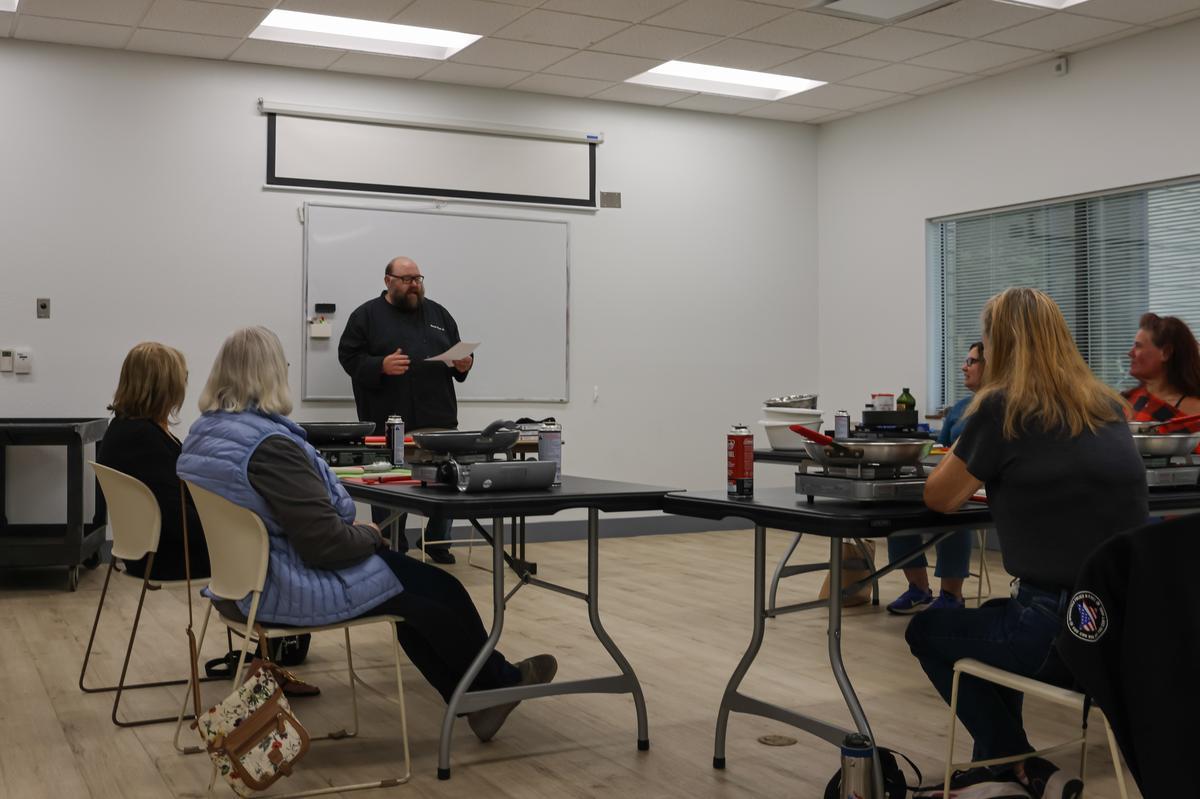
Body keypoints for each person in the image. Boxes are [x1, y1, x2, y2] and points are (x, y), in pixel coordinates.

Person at [178, 327, 554, 741]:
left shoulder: (205, 434)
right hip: (288, 584)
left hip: (241, 585)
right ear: (270, 374)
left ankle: (481, 694)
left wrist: (355, 533)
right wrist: (370, 534)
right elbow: (325, 544)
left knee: (423, 595)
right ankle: (494, 688)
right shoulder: (270, 446)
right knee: (440, 593)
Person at [908, 288, 1147, 797]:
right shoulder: (1107, 405)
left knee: (928, 630)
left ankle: (1014, 760)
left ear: (1000, 345)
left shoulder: (1001, 408)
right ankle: (1004, 770)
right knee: (992, 619)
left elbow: (940, 497)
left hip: (1054, 635)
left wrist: (975, 435)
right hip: (1123, 632)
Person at [338, 256, 474, 564]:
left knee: (447, 480)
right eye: (407, 279)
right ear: (388, 281)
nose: (414, 285)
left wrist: (464, 364)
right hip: (388, 420)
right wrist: (380, 365)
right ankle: (392, 546)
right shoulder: (366, 316)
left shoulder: (438, 314)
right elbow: (348, 357)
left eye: (418, 279)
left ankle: (438, 542)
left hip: (438, 418)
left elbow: (457, 354)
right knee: (390, 487)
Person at [97, 342, 210, 582]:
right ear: (165, 388)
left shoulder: (122, 427)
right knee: (262, 551)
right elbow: (176, 517)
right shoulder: (143, 438)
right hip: (171, 558)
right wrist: (223, 529)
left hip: (150, 553)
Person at [885, 342, 983, 614]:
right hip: (954, 480)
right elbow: (939, 450)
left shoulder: (999, 407)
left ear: (991, 365)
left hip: (980, 485)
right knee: (898, 505)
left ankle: (952, 596)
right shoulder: (959, 409)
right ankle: (919, 588)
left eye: (971, 362)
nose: (964, 367)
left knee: (951, 509)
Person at [1124, 312, 1200, 424]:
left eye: (1138, 346)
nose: (1130, 353)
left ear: (1165, 353)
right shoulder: (1124, 402)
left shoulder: (1195, 413)